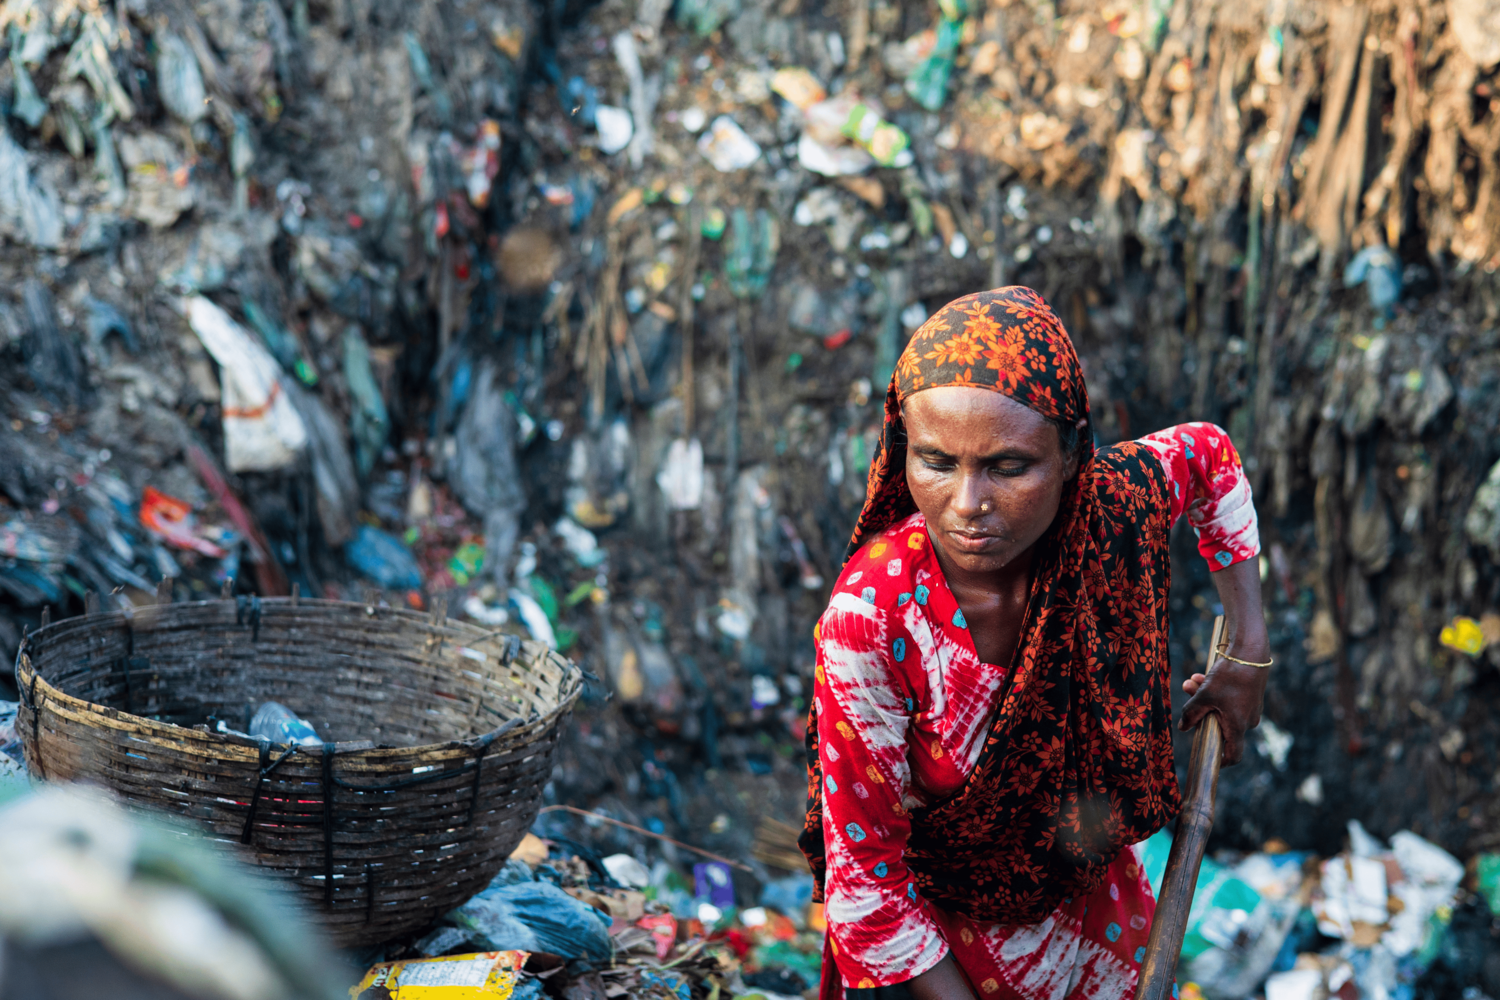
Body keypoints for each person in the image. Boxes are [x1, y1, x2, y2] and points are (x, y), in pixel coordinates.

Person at [798, 287, 1270, 1000]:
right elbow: (867, 887)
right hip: (936, 957)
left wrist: (1246, 655)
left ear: (1074, 450)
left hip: (1094, 923)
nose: (967, 503)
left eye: (1009, 467)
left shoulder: (1108, 512)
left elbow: (1210, 459)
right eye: (934, 461)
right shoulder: (875, 617)